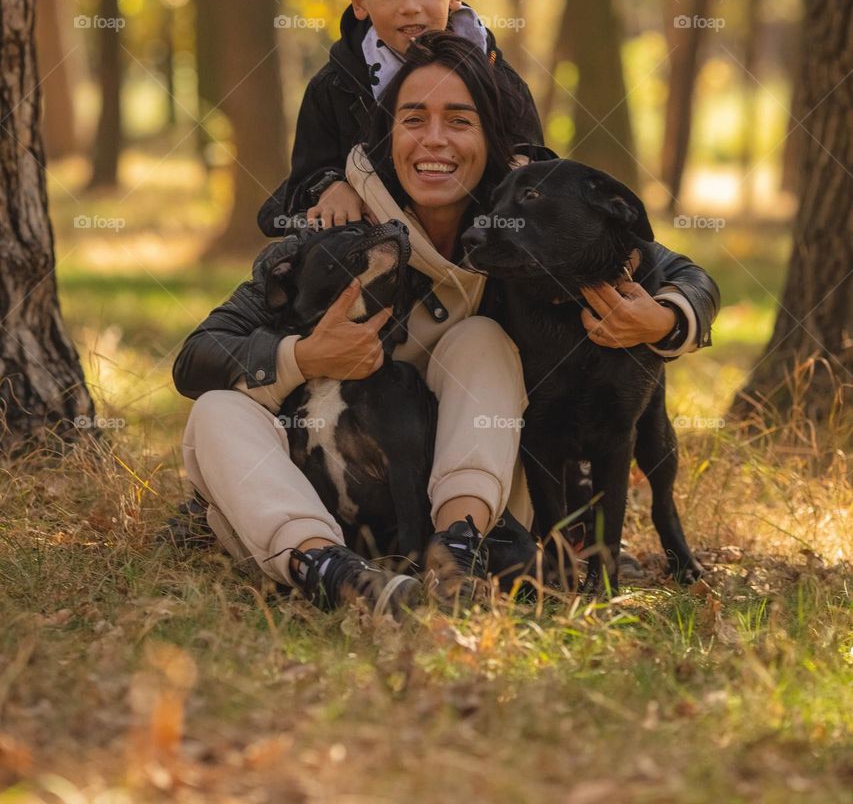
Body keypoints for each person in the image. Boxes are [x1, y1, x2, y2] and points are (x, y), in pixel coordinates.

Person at [173, 33, 720, 618]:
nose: (433, 139)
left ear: (489, 138)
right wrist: (304, 358)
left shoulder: (526, 226)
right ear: (389, 134)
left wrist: (664, 317)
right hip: (312, 490)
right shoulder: (338, 228)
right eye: (413, 118)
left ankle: (457, 555)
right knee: (215, 410)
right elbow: (198, 356)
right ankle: (329, 569)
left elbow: (679, 271)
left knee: (480, 339)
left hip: (456, 497)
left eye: (459, 120)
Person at [257, 0, 543, 237]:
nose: (410, 6)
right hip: (377, 254)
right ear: (359, 1)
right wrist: (331, 187)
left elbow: (536, 167)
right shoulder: (334, 87)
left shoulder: (498, 80)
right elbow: (306, 174)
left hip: (477, 257)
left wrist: (517, 176)